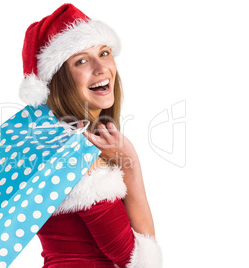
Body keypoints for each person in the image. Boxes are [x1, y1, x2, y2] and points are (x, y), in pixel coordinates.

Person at [18, 3, 162, 268]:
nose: (101, 67)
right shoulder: (75, 154)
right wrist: (130, 164)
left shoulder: (49, 138)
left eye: (104, 53)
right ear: (59, 78)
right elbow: (136, 261)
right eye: (81, 60)